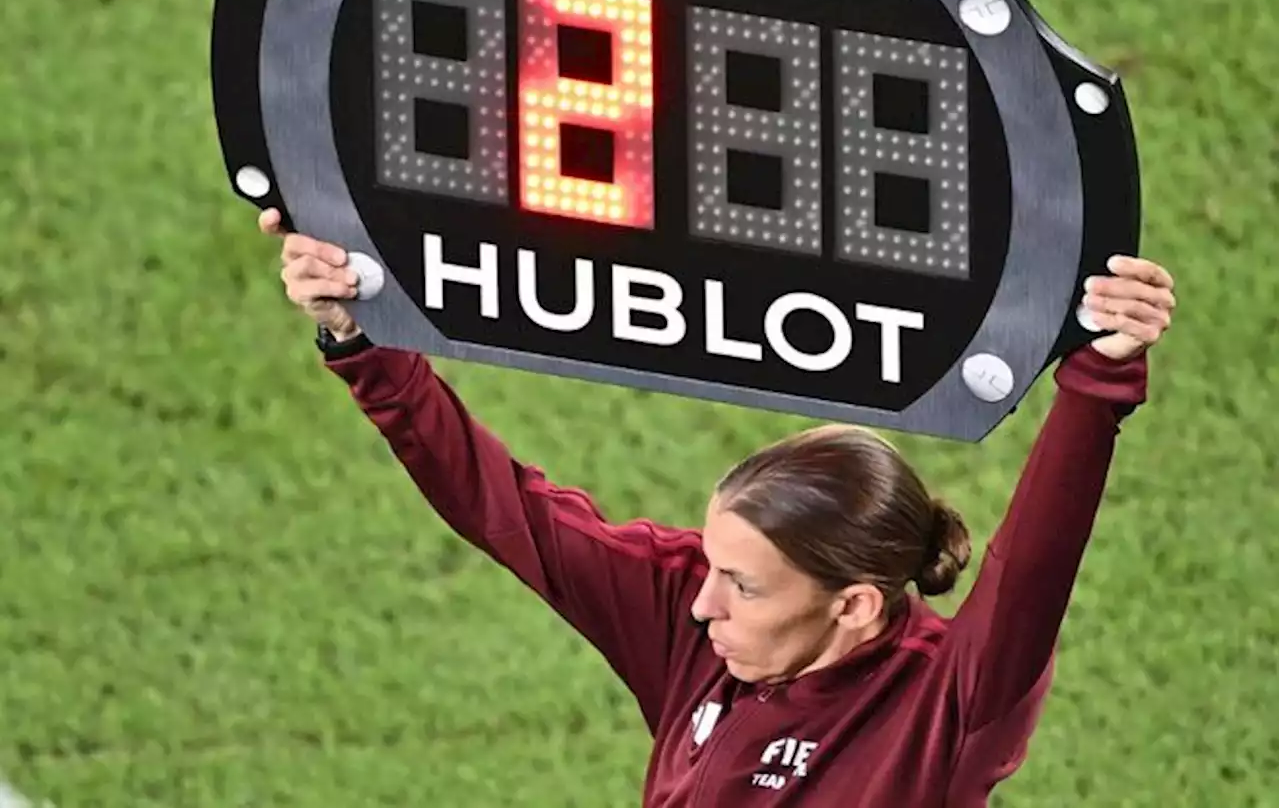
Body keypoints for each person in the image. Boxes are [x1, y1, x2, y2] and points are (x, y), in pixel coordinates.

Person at [261, 208, 1176, 806]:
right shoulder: (688, 619)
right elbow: (506, 508)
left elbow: (1033, 566)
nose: (703, 605)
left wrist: (1099, 376)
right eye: (711, 564)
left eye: (742, 583)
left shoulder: (945, 706)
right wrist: (361, 336)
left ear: (854, 603)